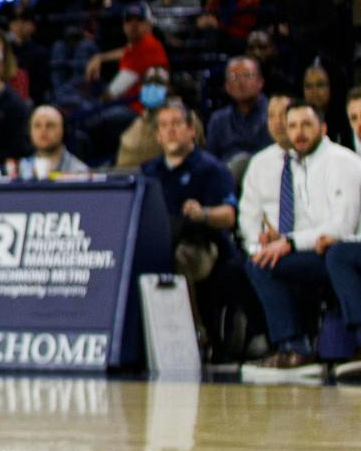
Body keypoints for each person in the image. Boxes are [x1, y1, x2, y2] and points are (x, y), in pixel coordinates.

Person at [239, 101, 361, 382]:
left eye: (306, 125)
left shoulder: (341, 162)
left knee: (337, 255)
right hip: (325, 251)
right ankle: (293, 347)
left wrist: (291, 243)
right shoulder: (300, 165)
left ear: (324, 127)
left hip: (344, 250)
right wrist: (280, 240)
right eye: (292, 126)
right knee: (261, 263)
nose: (299, 133)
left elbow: (341, 227)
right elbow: (313, 227)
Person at [142, 101, 239, 353]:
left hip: (203, 244)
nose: (170, 131)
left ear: (191, 130)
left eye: (176, 124)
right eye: (164, 126)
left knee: (181, 258)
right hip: (161, 242)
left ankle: (194, 336)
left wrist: (203, 213)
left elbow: (228, 216)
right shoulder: (149, 172)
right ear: (157, 135)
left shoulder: (211, 168)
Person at [204, 56, 271, 169]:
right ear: (227, 86)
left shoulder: (273, 114)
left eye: (247, 75)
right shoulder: (218, 120)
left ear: (260, 82)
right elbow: (211, 161)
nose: (241, 82)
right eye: (233, 77)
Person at [18, 105, 89, 178]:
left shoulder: (79, 172)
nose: (43, 131)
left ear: (64, 130)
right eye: (37, 125)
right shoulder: (20, 169)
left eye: (50, 125)